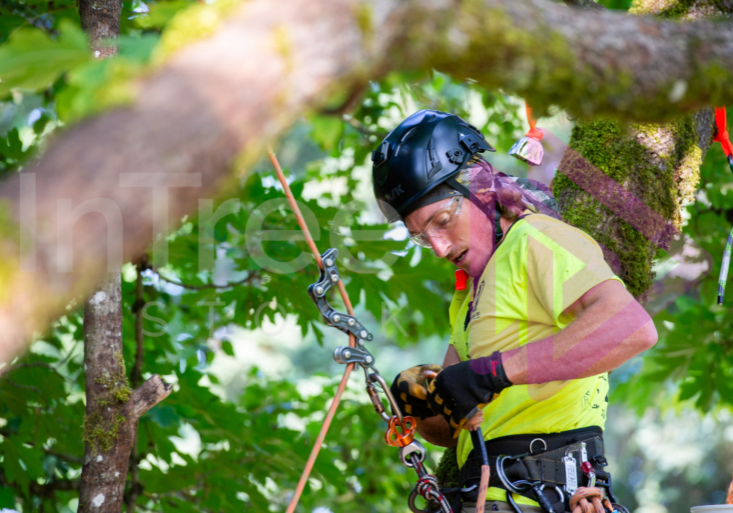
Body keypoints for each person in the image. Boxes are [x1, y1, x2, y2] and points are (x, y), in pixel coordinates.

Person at [371, 109, 657, 512]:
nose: (438, 247)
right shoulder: (469, 295)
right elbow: (457, 427)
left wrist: (495, 371)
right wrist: (418, 404)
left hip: (546, 496)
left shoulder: (535, 240)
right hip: (486, 494)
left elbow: (631, 328)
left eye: (442, 221)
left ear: (480, 188)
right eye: (421, 237)